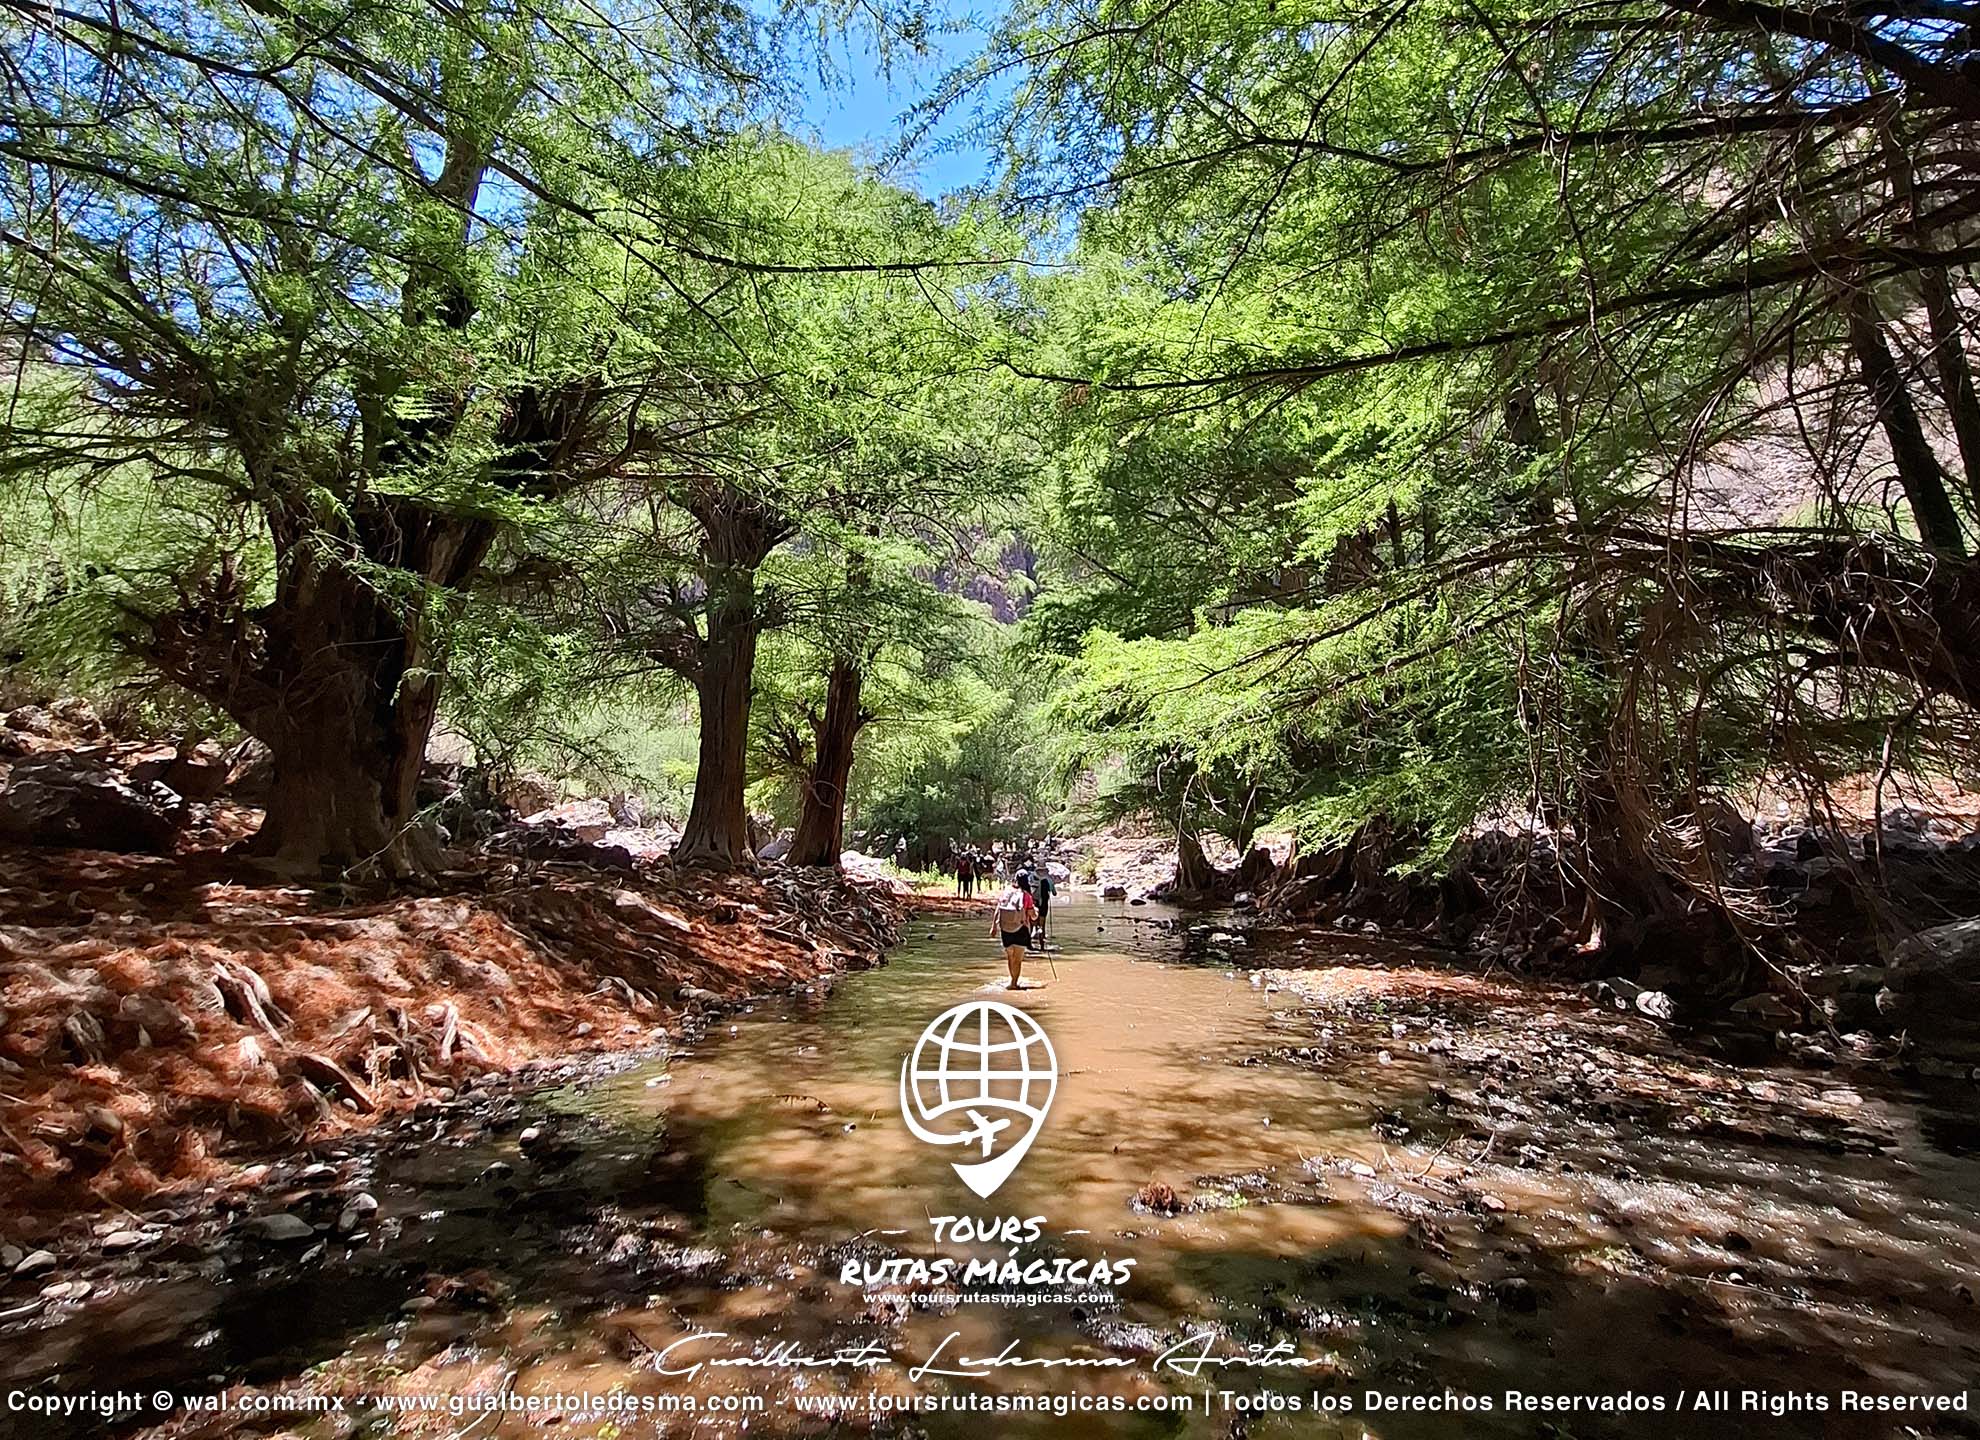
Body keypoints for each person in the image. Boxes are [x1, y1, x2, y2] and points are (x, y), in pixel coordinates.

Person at [990, 872, 1037, 990]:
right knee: (1018, 959)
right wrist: (1036, 912)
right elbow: (1033, 916)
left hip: (1005, 929)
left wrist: (994, 926)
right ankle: (1014, 983)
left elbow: (998, 909)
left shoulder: (1007, 892)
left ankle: (1012, 980)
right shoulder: (1026, 896)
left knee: (1010, 957)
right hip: (1021, 929)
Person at [1030, 864, 1054, 949]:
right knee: (1042, 925)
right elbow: (1054, 893)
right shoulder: (1049, 880)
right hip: (1043, 904)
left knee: (1032, 924)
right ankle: (1042, 946)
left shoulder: (1032, 878)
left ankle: (1029, 945)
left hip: (1034, 904)